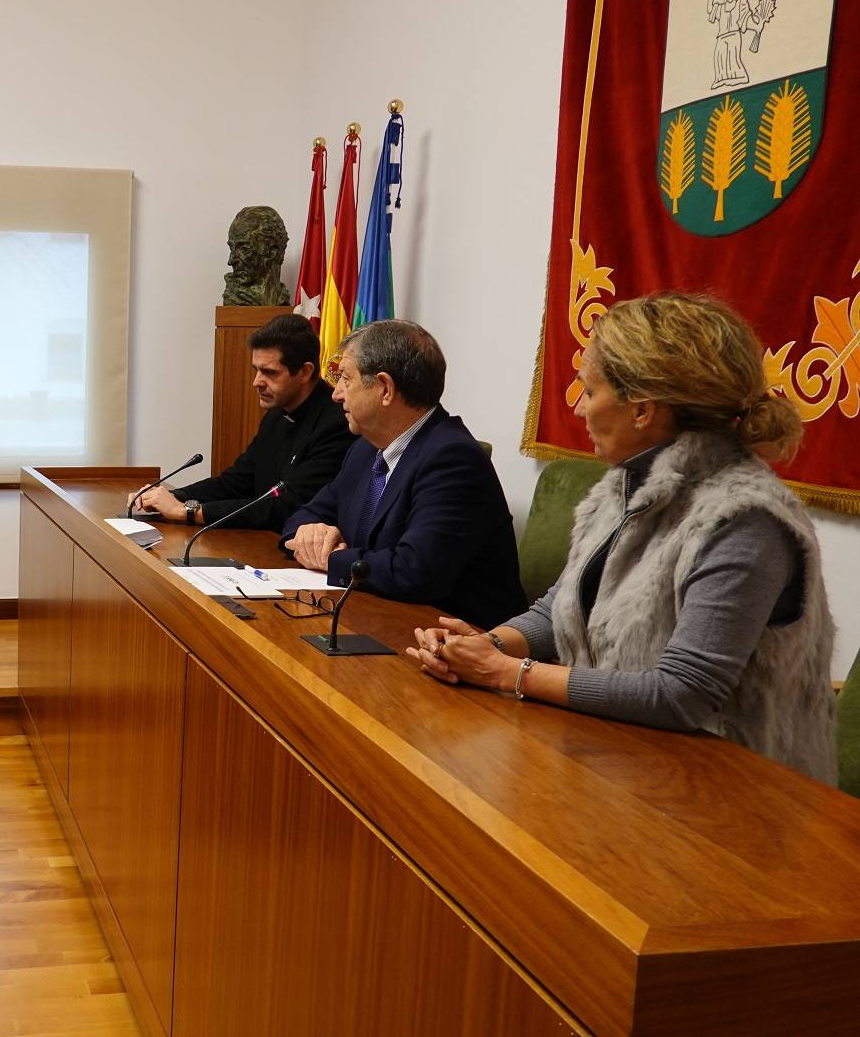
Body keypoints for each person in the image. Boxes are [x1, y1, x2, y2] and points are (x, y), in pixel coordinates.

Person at [406, 293, 836, 782]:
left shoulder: (744, 520)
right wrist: (486, 646)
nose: (580, 407)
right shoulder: (625, 484)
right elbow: (561, 609)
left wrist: (507, 673)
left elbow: (682, 693)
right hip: (610, 758)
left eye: (589, 392)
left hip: (728, 793)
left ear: (642, 411)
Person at [280, 319, 525, 627]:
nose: (336, 394)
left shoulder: (453, 460)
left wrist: (330, 559)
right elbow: (300, 517)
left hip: (456, 641)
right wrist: (310, 534)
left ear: (385, 389)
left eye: (346, 379)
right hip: (373, 616)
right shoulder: (364, 450)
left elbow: (413, 572)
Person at [127, 313, 354, 530]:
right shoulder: (277, 415)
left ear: (305, 372)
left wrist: (189, 511)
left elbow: (287, 505)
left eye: (269, 372)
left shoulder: (338, 423)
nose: (257, 381)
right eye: (256, 370)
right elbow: (236, 482)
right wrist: (169, 497)